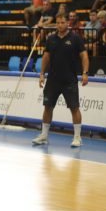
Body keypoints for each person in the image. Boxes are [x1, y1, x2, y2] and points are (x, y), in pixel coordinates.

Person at [32, 14, 89, 147]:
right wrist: (41, 74)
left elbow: (84, 56)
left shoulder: (75, 38)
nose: (60, 25)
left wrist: (85, 73)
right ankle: (44, 136)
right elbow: (46, 57)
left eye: (62, 22)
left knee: (74, 108)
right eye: (58, 23)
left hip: (69, 80)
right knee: (47, 107)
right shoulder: (51, 38)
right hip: (53, 80)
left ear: (67, 23)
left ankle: (77, 138)